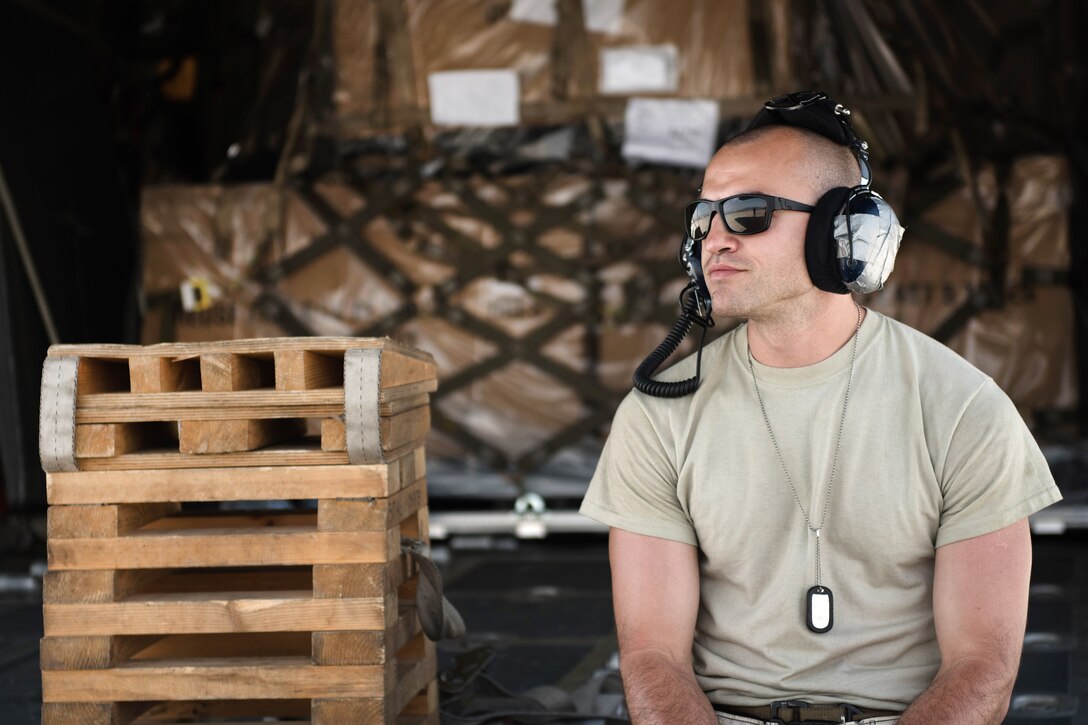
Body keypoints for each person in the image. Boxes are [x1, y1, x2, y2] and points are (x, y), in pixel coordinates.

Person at [580, 93, 1062, 725]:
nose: (713, 240)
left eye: (749, 214)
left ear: (847, 234)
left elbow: (981, 670)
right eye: (704, 215)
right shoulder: (658, 414)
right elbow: (652, 660)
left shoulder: (964, 408)